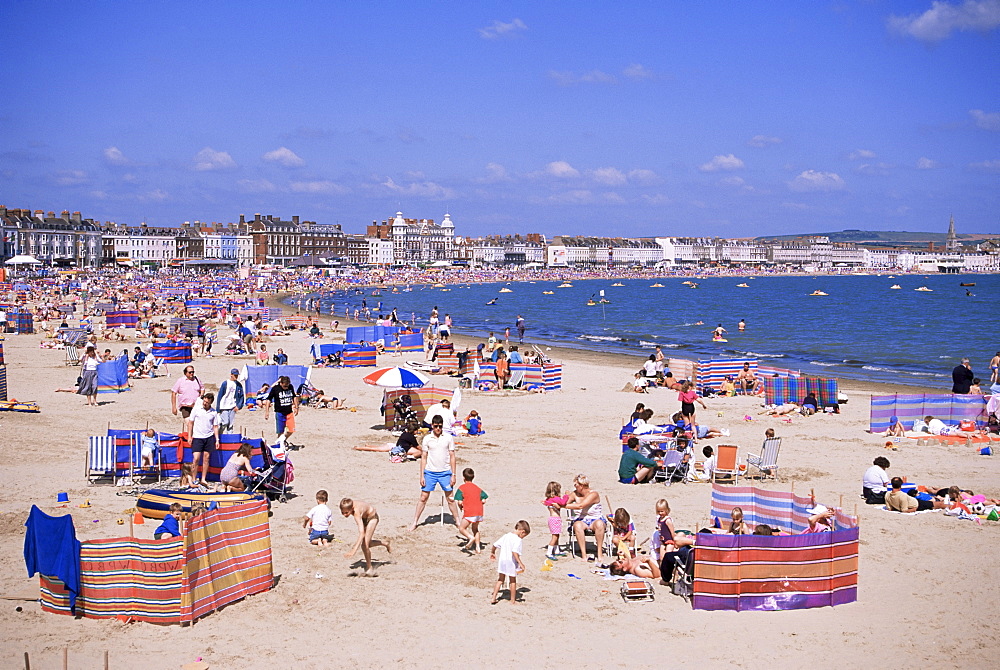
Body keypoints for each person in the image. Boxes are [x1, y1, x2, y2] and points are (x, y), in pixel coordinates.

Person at [408, 417, 461, 531]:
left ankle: (458, 521)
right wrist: (422, 475)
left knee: (450, 498)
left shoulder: (448, 437)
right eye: (436, 426)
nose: (438, 429)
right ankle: (415, 522)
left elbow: (452, 456)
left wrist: (454, 474)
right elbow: (424, 457)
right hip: (430, 472)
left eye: (440, 426)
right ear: (432, 425)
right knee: (423, 497)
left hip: (445, 472)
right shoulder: (427, 438)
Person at [340, 498, 391, 575]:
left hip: (372, 518)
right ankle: (385, 543)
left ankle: (369, 568)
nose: (344, 515)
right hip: (364, 517)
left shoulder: (356, 512)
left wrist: (354, 550)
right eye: (342, 512)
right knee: (368, 544)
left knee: (364, 545)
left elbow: (361, 533)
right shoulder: (348, 504)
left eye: (346, 512)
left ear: (352, 508)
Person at [564, 474, 606, 562]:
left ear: (582, 485)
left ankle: (599, 553)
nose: (575, 487)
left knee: (599, 524)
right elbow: (564, 502)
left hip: (595, 518)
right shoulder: (575, 493)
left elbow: (581, 506)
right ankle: (584, 554)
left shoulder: (593, 494)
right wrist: (565, 498)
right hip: (581, 519)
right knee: (577, 525)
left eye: (576, 485)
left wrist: (564, 506)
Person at [490, 520, 529, 605]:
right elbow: (514, 552)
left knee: (500, 579)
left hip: (502, 561)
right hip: (511, 562)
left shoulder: (506, 536)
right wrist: (520, 563)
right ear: (522, 532)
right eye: (524, 536)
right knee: (512, 580)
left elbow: (495, 545)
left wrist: (492, 552)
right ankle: (512, 600)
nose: (523, 537)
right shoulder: (518, 540)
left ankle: (493, 598)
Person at [184, 392, 218, 485]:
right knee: (196, 458)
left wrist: (217, 439)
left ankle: (203, 478)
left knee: (206, 458)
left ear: (210, 402)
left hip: (209, 437)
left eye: (207, 402)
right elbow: (190, 423)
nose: (205, 403)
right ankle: (194, 478)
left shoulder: (213, 412)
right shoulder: (197, 409)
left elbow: (215, 426)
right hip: (198, 437)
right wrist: (189, 436)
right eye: (204, 401)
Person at [455, 468, 488, 553]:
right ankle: (478, 548)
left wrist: (460, 507)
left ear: (464, 478)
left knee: (462, 528)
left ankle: (470, 537)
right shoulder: (477, 488)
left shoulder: (462, 488)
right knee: (475, 529)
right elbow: (484, 499)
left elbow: (459, 502)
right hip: (479, 512)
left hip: (470, 512)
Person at [265, 376, 300, 446]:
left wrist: (296, 407)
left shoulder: (290, 387)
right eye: (284, 386)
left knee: (291, 430)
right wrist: (267, 412)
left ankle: (282, 440)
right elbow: (268, 400)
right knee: (280, 432)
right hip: (279, 412)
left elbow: (294, 397)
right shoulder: (275, 389)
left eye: (287, 386)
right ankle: (280, 445)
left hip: (289, 412)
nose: (286, 388)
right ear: (281, 383)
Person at [542, 482, 568, 560]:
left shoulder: (549, 499)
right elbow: (563, 502)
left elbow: (546, 502)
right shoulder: (556, 498)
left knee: (557, 535)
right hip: (555, 519)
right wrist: (566, 495)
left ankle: (557, 550)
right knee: (554, 537)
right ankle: (549, 552)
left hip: (552, 519)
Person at [215, 368, 245, 434]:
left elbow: (241, 396)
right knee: (225, 422)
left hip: (233, 406)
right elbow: (220, 396)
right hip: (224, 406)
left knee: (230, 424)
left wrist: (239, 406)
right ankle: (219, 434)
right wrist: (218, 408)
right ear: (231, 375)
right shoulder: (225, 383)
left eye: (237, 375)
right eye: (235, 375)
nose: (236, 377)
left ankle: (229, 437)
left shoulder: (238, 385)